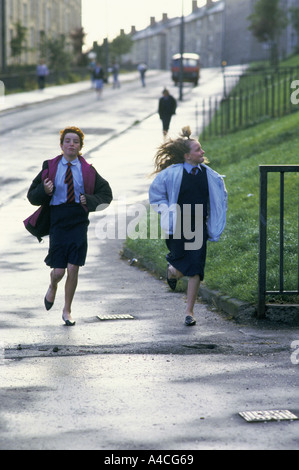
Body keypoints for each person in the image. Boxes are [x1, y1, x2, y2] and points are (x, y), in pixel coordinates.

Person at [26, 127, 113, 326]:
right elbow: (32, 196)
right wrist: (44, 190)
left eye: (75, 141)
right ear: (61, 145)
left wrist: (89, 200)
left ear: (81, 146)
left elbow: (106, 195)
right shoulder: (50, 167)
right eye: (67, 141)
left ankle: (67, 310)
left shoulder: (88, 170)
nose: (71, 144)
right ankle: (52, 286)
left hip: (78, 220)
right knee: (59, 271)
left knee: (73, 267)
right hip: (58, 219)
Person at [149, 126, 227, 327]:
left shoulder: (209, 174)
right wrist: (168, 211)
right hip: (178, 224)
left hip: (198, 224)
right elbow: (156, 196)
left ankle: (189, 311)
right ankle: (172, 270)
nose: (202, 152)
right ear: (187, 155)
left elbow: (219, 197)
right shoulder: (172, 174)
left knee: (196, 269)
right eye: (198, 150)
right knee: (182, 263)